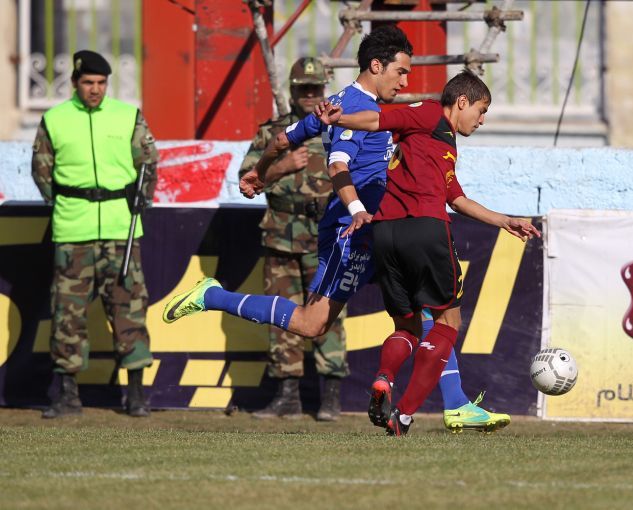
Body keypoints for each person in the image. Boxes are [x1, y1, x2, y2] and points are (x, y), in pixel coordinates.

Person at [164, 27, 510, 432]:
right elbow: (338, 163)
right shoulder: (353, 105)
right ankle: (213, 296)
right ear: (376, 66)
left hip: (387, 226)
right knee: (312, 324)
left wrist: (260, 173)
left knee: (430, 311)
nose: (405, 81)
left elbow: (283, 139)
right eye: (400, 71)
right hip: (353, 230)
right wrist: (357, 208)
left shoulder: (359, 107)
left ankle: (455, 403)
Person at [315, 70, 541, 435]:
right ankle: (403, 415)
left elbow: (457, 198)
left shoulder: (442, 142)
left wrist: (504, 220)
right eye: (481, 110)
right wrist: (339, 118)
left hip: (386, 233)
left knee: (406, 325)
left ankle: (384, 379)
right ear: (462, 102)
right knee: (448, 323)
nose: (481, 120)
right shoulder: (429, 112)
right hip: (425, 230)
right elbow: (378, 119)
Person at [31, 50, 158, 419]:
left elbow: (148, 163)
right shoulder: (55, 119)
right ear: (75, 83)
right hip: (73, 231)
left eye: (101, 83)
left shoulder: (128, 115)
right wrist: (67, 205)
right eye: (88, 82)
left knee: (129, 309)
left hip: (121, 231)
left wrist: (140, 200)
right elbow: (42, 170)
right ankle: (67, 395)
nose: (95, 89)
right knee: (66, 314)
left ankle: (136, 395)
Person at [238, 57, 348, 421]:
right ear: (292, 90)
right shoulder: (272, 133)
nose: (310, 95)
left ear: (325, 89)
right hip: (282, 234)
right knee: (280, 315)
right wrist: (281, 166)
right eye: (303, 89)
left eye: (316, 88)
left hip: (326, 238)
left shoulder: (339, 128)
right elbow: (246, 181)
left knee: (327, 316)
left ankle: (330, 397)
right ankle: (287, 396)